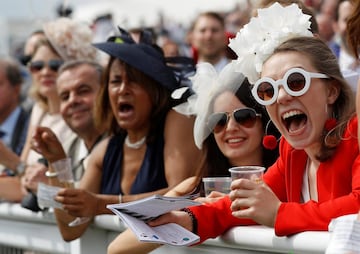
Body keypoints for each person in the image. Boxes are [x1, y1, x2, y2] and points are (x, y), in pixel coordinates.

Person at [147, 2, 359, 245]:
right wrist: (188, 218)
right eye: (267, 90)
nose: (282, 96)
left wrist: (279, 213)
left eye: (296, 81)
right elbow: (252, 203)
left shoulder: (355, 135)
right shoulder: (291, 152)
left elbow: (357, 206)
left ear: (331, 91)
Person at [31, 28, 202, 241]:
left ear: (154, 88)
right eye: (115, 81)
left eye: (134, 80)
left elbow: (182, 197)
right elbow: (71, 229)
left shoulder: (178, 119)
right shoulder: (106, 149)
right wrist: (57, 163)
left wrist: (101, 204)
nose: (123, 89)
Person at [107, 61, 280, 254]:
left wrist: (223, 209)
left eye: (244, 116)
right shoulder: (194, 188)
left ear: (264, 122)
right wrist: (180, 207)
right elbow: (117, 249)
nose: (230, 128)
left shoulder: (288, 180)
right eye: (219, 121)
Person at [25, 60, 106, 193]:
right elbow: (66, 211)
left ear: (106, 93)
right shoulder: (67, 148)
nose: (72, 101)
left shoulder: (123, 145)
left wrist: (50, 188)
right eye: (65, 96)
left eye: (83, 91)